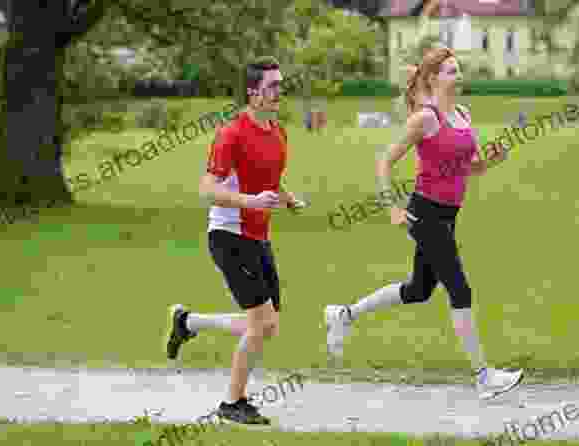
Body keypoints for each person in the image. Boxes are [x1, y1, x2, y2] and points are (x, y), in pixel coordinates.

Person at [324, 46, 523, 400]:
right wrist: (391, 208)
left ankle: (344, 314)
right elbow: (384, 161)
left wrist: (492, 160)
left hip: (449, 214)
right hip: (425, 213)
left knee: (419, 289)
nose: (457, 75)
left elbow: (470, 167)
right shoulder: (425, 118)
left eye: (457, 69)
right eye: (449, 70)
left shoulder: (463, 114)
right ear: (432, 78)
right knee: (460, 289)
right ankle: (483, 376)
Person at [166, 56, 303, 425]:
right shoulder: (231, 133)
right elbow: (206, 188)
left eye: (280, 84)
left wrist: (287, 199)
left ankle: (187, 323)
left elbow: (268, 180)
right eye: (271, 85)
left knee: (268, 324)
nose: (278, 91)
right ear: (252, 92)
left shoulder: (278, 132)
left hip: (259, 237)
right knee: (260, 322)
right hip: (228, 236)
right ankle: (232, 402)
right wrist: (250, 202)